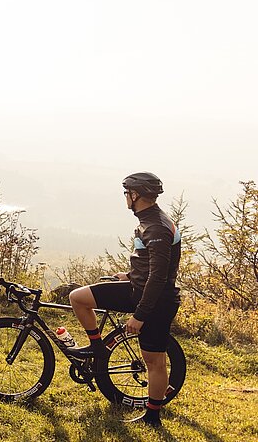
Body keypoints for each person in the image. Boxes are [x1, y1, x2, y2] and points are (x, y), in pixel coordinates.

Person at [67, 172, 181, 427]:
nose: (125, 198)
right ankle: (97, 348)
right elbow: (150, 265)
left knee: (154, 361)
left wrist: (140, 316)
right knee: (79, 297)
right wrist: (129, 274)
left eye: (126, 193)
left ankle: (153, 416)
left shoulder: (157, 227)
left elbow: (159, 277)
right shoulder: (148, 220)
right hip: (137, 288)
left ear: (136, 195)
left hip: (156, 301)